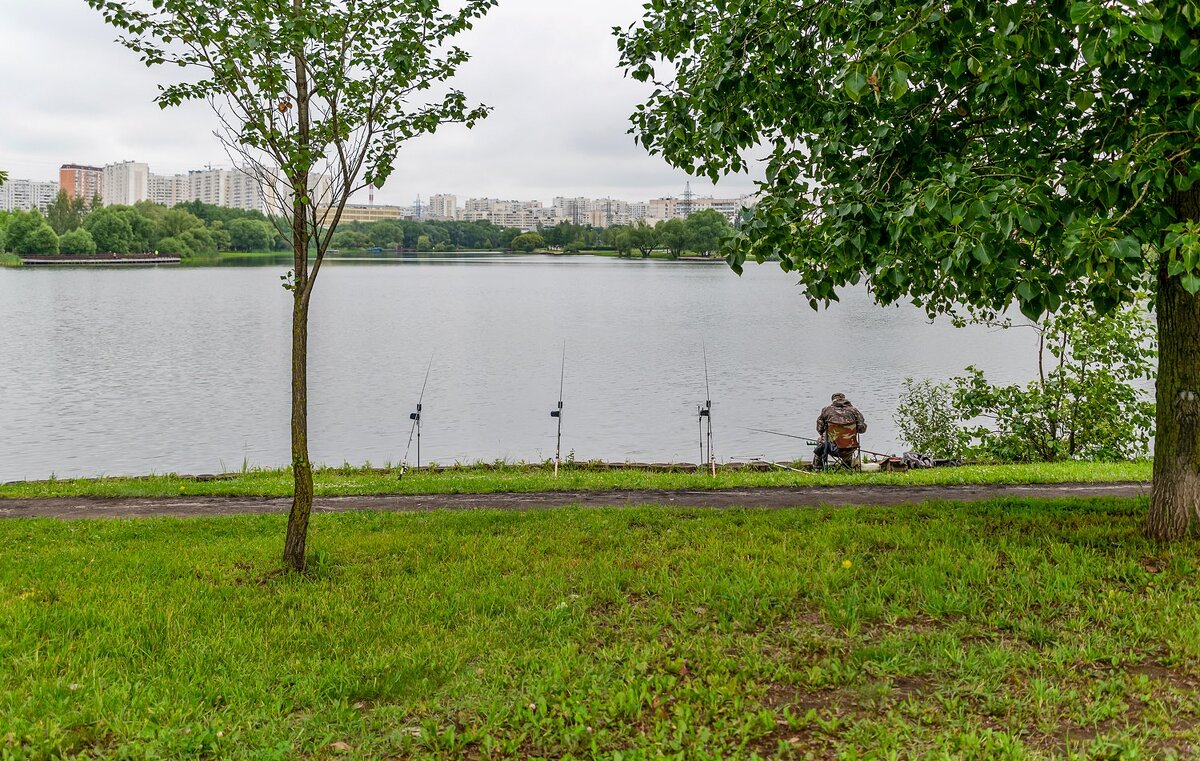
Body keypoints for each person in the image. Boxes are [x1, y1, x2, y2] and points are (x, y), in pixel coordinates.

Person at [813, 393, 867, 469]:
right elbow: (862, 429)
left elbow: (820, 429)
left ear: (833, 401)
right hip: (850, 447)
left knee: (820, 441)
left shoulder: (826, 410)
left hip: (832, 448)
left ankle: (817, 467)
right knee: (847, 441)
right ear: (844, 399)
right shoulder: (854, 411)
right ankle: (847, 467)